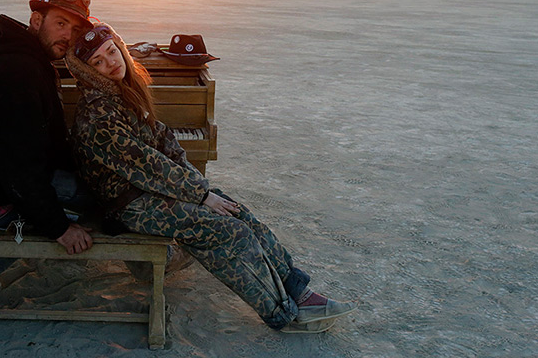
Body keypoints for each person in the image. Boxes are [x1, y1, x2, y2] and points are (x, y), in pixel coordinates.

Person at [66, 23, 358, 333]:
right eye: (98, 61)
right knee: (230, 232)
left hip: (148, 191)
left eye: (112, 52)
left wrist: (201, 187)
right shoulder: (98, 114)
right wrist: (202, 196)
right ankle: (284, 315)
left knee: (235, 210)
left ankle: (297, 289)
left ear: (121, 48)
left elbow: (164, 141)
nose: (111, 63)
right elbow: (149, 165)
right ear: (89, 71)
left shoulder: (125, 92)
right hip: (127, 205)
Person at [0, 0, 95, 261]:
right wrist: (59, 228)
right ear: (36, 20)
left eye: (76, 30)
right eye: (61, 23)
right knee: (105, 194)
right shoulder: (17, 73)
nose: (68, 35)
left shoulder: (19, 58)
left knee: (95, 181)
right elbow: (18, 166)